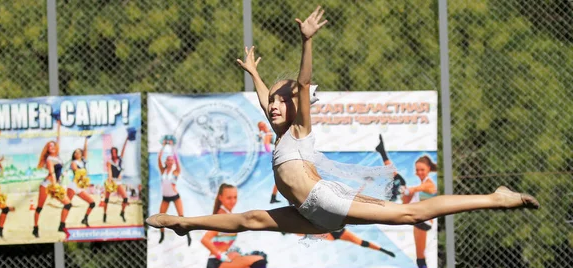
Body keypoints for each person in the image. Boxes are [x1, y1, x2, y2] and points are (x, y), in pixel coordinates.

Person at [147, 6, 539, 242]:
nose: (272, 107)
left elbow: (300, 85)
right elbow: (271, 100)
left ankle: (496, 198)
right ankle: (184, 223)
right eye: (271, 104)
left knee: (410, 214)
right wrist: (254, 74)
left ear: (295, 106)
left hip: (324, 199)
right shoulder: (280, 130)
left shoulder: (300, 130)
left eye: (279, 103)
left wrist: (307, 42)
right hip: (307, 213)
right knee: (249, 219)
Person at [201, 184, 266, 268]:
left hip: (223, 262)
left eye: (235, 197)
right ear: (220, 197)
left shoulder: (229, 216)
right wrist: (221, 256)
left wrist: (232, 255)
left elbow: (225, 245)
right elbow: (205, 239)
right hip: (216, 263)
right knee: (260, 261)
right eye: (229, 198)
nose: (233, 201)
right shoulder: (221, 217)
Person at [401, 156, 438, 268]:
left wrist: (410, 190)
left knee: (421, 261)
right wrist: (405, 193)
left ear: (428, 169)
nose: (420, 172)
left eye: (422, 169)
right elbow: (405, 202)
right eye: (418, 170)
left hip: (424, 223)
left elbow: (423, 188)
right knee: (420, 262)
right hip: (418, 222)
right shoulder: (419, 186)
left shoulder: (429, 184)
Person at [33, 120, 71, 238]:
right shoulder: (49, 159)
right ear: (48, 149)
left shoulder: (58, 157)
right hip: (47, 185)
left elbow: (58, 139)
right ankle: (35, 228)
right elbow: (52, 173)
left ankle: (61, 225)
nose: (52, 147)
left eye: (53, 145)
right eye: (50, 146)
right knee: (40, 207)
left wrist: (58, 125)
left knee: (68, 204)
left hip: (55, 184)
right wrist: (56, 187)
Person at [157, 138, 190, 245]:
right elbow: (158, 158)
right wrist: (163, 146)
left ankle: (188, 235)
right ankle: (162, 235)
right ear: (166, 162)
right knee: (160, 216)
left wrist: (172, 147)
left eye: (172, 160)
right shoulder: (163, 170)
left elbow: (177, 160)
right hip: (165, 197)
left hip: (175, 196)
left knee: (181, 216)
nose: (170, 161)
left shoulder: (176, 171)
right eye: (168, 159)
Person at [67, 136, 96, 227]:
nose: (78, 153)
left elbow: (85, 149)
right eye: (76, 152)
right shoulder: (73, 163)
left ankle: (85, 219)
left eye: (79, 152)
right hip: (73, 185)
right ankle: (62, 224)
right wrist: (86, 181)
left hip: (80, 187)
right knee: (67, 204)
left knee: (92, 203)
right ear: (74, 155)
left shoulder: (83, 161)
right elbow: (77, 172)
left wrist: (86, 139)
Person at [103, 137, 129, 223]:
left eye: (115, 152)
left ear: (116, 152)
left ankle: (122, 212)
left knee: (125, 198)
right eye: (112, 152)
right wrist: (109, 182)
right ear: (111, 153)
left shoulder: (120, 159)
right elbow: (109, 172)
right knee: (106, 199)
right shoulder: (109, 161)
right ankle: (104, 214)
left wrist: (127, 139)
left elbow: (124, 149)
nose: (114, 153)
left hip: (118, 182)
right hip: (111, 180)